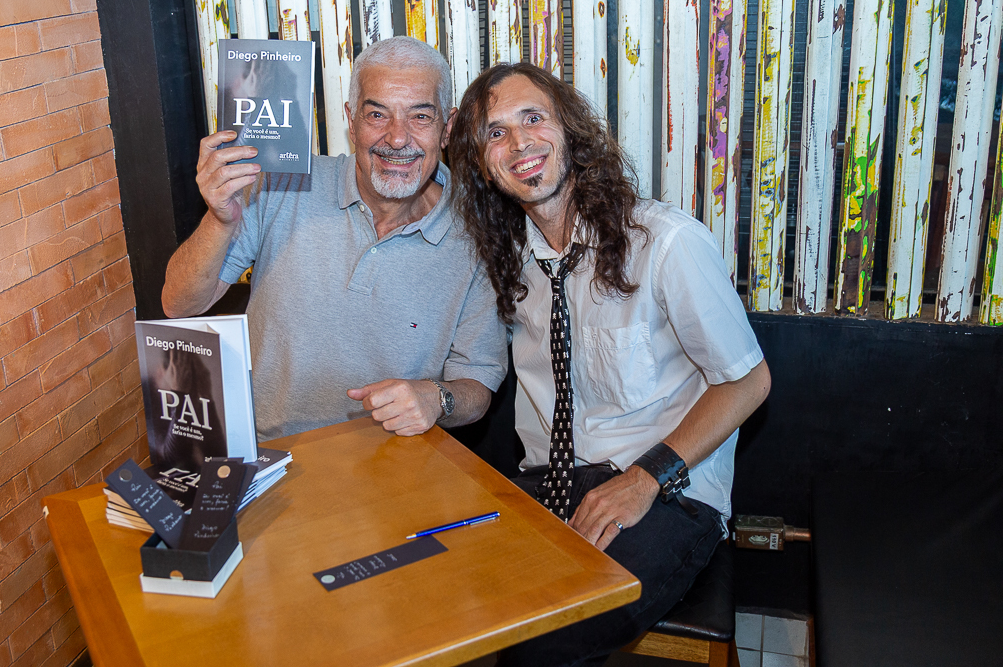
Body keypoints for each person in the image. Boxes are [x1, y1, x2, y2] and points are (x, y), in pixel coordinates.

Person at [448, 62, 771, 665]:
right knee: (444, 599)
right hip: (550, 484)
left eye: (533, 118)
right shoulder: (509, 259)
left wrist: (645, 479)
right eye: (495, 133)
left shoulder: (665, 242)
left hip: (666, 493)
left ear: (569, 129)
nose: (519, 143)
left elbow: (750, 381)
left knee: (542, 637)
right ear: (482, 164)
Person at [162, 36, 507, 440]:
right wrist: (220, 222)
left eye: (419, 117)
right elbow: (179, 303)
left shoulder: (478, 235)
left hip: (395, 470)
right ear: (352, 120)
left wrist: (437, 399)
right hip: (269, 459)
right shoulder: (280, 184)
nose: (397, 139)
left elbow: (477, 387)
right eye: (377, 115)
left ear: (446, 128)